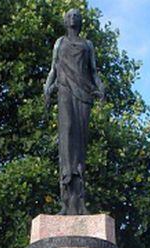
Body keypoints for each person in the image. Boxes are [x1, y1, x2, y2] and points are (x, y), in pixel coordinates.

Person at [44, 8, 105, 215]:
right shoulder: (59, 43)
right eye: (69, 15)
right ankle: (65, 198)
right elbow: (53, 68)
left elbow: (93, 71)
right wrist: (47, 87)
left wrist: (101, 88)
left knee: (79, 143)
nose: (73, 18)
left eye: (76, 15)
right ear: (64, 21)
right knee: (67, 135)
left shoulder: (87, 45)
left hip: (84, 94)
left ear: (80, 22)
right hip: (64, 89)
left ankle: (78, 201)